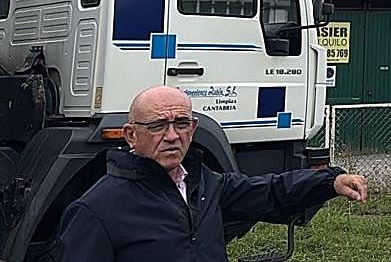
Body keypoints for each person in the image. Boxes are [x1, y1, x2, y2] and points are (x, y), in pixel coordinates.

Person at [58, 85, 369, 261]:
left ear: (193, 129)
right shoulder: (96, 210)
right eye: (157, 126)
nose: (171, 136)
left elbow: (271, 191)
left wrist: (331, 181)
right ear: (130, 135)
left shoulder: (204, 183)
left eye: (181, 123)